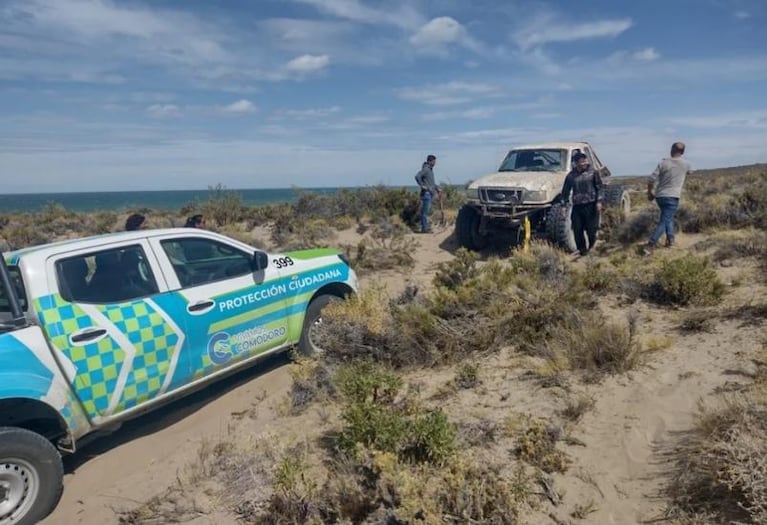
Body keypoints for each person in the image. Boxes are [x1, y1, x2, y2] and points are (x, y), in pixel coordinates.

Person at [645, 142, 692, 253]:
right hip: (672, 196)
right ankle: (650, 244)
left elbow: (651, 179)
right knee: (665, 220)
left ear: (671, 149)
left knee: (667, 217)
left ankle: (670, 240)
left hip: (660, 196)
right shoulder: (686, 164)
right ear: (683, 152)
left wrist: (649, 192)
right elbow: (690, 172)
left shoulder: (663, 163)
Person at [557, 152, 604, 257]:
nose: (583, 163)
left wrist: (599, 201)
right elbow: (565, 192)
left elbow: (600, 188)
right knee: (577, 230)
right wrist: (563, 206)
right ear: (576, 163)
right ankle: (582, 250)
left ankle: (593, 248)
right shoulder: (571, 176)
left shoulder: (593, 173)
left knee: (591, 229)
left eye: (584, 161)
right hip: (577, 206)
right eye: (580, 162)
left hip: (591, 205)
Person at [414, 154, 441, 233]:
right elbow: (417, 176)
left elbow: (431, 183)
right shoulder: (426, 169)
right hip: (426, 194)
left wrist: (437, 188)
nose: (435, 163)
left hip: (430, 193)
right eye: (434, 161)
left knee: (426, 212)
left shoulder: (430, 170)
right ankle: (424, 229)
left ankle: (425, 227)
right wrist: (422, 186)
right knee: (424, 213)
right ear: (430, 161)